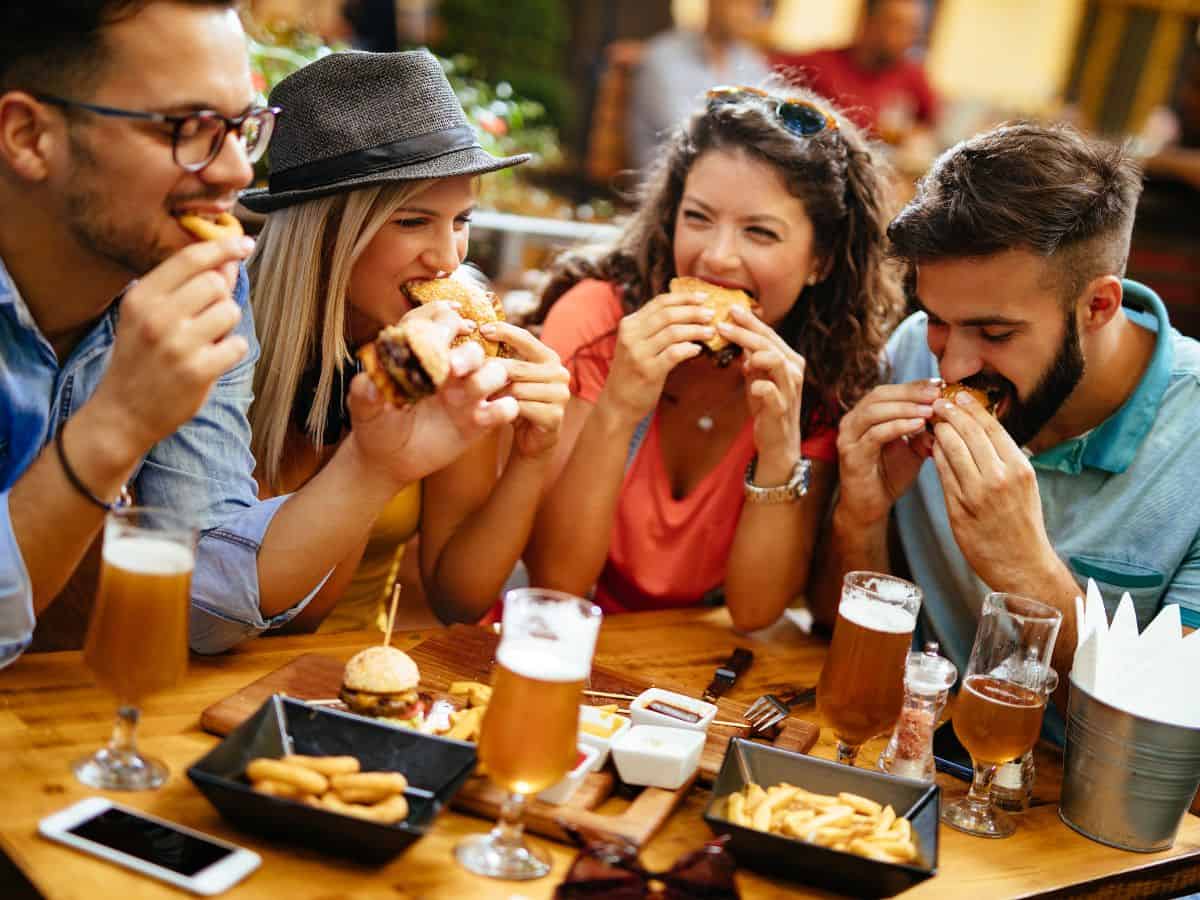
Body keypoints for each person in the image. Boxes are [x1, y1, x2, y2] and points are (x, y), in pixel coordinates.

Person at [0, 1, 514, 661]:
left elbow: (198, 612)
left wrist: (373, 465)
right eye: (189, 127)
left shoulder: (204, 284)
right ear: (27, 136)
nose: (238, 173)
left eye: (243, 129)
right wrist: (118, 423)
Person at [813, 123, 1200, 719]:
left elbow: (1176, 741)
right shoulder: (911, 351)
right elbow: (829, 626)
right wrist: (859, 519)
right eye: (937, 317)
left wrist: (1026, 571)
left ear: (1098, 305)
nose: (954, 361)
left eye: (995, 332)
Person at [524, 83, 902, 630]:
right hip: (552, 640)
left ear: (820, 259)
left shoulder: (825, 374)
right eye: (698, 218)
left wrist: (778, 450)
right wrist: (619, 407)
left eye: (760, 232)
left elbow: (754, 611)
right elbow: (555, 583)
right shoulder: (597, 325)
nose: (716, 258)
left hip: (684, 671)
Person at [244, 49, 570, 630]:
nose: (448, 259)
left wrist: (530, 455)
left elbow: (459, 596)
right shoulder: (230, 344)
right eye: (413, 221)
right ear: (325, 234)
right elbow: (280, 614)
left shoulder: (447, 344)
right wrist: (371, 434)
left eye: (462, 221)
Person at [627, 0, 772, 172]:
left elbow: (771, 126)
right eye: (743, 2)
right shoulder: (663, 56)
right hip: (671, 178)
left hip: (729, 172)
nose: (751, 11)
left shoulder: (752, 62)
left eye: (760, 4)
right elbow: (689, 136)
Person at [771, 0, 937, 144]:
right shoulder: (820, 64)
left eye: (912, 29)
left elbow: (935, 127)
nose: (907, 38)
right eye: (896, 25)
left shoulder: (912, 75)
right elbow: (766, 77)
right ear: (867, 21)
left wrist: (908, 134)